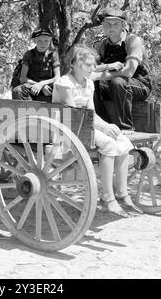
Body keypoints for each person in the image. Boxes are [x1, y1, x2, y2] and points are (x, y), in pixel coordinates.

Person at [52, 44, 141, 217]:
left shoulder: (89, 84)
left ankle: (122, 193)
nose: (93, 69)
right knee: (108, 143)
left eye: (94, 65)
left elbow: (91, 113)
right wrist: (103, 128)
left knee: (123, 141)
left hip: (83, 125)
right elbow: (75, 114)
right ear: (76, 64)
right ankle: (107, 197)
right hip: (65, 128)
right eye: (89, 65)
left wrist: (107, 126)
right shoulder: (64, 83)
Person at [93, 7, 152, 131]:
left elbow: (129, 72)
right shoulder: (102, 45)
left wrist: (100, 75)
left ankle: (125, 128)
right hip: (114, 87)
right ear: (103, 26)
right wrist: (103, 70)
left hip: (139, 84)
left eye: (115, 24)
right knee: (92, 82)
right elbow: (90, 69)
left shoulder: (133, 40)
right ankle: (104, 124)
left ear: (123, 25)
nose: (111, 27)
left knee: (118, 81)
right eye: (107, 24)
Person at [12, 27, 61, 102]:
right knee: (17, 91)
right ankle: (27, 111)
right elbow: (23, 78)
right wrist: (38, 85)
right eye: (40, 41)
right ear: (35, 41)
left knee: (63, 88)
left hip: (48, 87)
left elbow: (57, 77)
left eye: (46, 41)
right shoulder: (29, 54)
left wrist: (42, 84)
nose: (43, 43)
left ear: (50, 40)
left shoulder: (53, 54)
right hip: (32, 86)